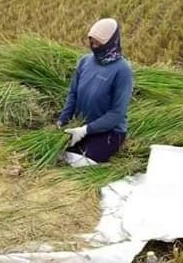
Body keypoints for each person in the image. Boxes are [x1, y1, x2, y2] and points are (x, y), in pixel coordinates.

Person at [56, 18, 133, 164]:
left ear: (111, 42)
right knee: (57, 156)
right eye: (92, 41)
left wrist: (86, 130)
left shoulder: (122, 70)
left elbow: (117, 113)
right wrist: (63, 120)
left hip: (109, 132)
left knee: (78, 163)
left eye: (99, 43)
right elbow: (73, 93)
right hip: (80, 125)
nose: (94, 46)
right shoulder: (85, 61)